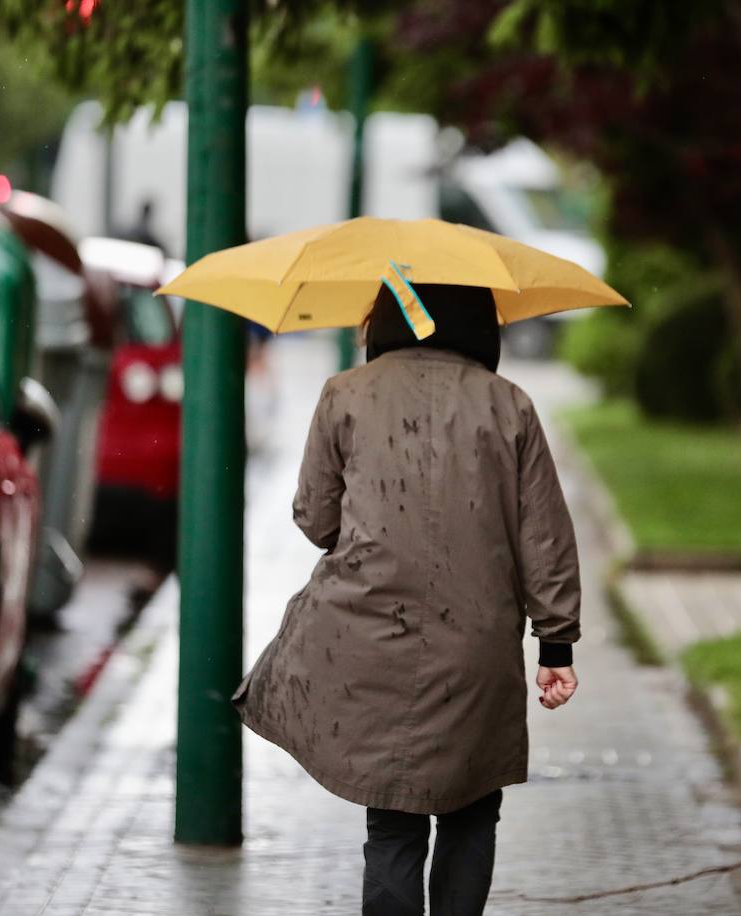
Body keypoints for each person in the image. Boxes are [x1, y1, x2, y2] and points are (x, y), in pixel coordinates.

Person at [232, 283, 581, 915]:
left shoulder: (345, 394)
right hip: (478, 645)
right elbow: (544, 535)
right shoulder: (510, 406)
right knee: (473, 809)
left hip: (374, 634)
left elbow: (314, 517)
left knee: (392, 818)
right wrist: (555, 643)